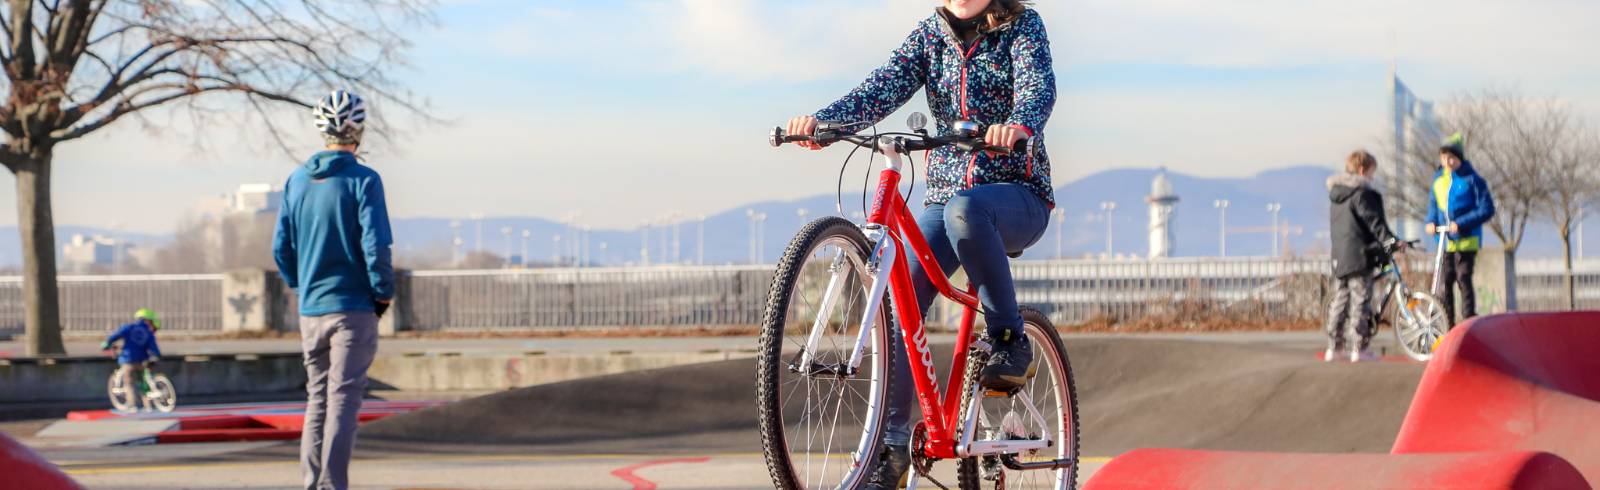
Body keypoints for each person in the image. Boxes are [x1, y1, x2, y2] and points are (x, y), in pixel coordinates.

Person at [786, 0, 1055, 486]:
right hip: (946, 198)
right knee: (899, 293)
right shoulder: (929, 37)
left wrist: (1018, 127)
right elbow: (880, 87)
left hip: (1015, 194)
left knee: (966, 212)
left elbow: (1039, 88)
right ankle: (890, 448)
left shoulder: (1022, 27)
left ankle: (1010, 340)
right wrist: (827, 123)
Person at [273, 89, 395, 490]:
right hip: (354, 306)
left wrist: (302, 285)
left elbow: (282, 249)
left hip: (312, 309)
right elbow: (376, 246)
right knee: (344, 398)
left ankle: (312, 483)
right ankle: (332, 485)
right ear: (358, 129)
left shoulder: (296, 181)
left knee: (317, 399)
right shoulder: (364, 180)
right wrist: (382, 293)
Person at [1325, 151, 1405, 362]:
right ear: (1362, 170)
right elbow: (1373, 222)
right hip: (1360, 253)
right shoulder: (1360, 194)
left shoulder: (1337, 196)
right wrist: (1391, 241)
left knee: (1341, 299)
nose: (1371, 178)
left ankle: (1334, 347)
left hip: (1340, 255)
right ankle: (1359, 348)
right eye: (1371, 173)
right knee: (1361, 299)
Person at [1424, 132, 1495, 325]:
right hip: (1445, 243)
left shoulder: (1473, 180)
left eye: (1452, 156)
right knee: (1445, 281)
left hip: (1466, 240)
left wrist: (1461, 223)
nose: (1447, 161)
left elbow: (1487, 209)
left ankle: (1468, 320)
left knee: (1463, 278)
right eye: (1444, 156)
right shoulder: (1438, 181)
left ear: (1459, 158)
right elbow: (1433, 206)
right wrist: (1430, 222)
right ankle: (1448, 324)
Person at [101, 309, 163, 408]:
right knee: (143, 383)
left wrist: (106, 343)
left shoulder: (129, 327)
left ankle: (133, 405)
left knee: (129, 383)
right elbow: (154, 347)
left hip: (128, 360)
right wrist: (156, 355)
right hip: (143, 361)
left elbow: (115, 336)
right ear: (148, 320)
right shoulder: (148, 332)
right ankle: (148, 405)